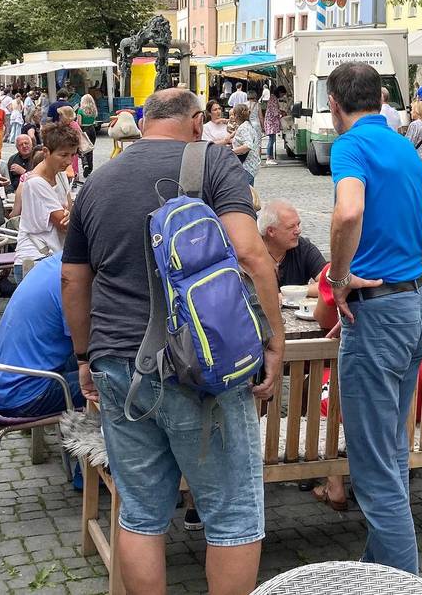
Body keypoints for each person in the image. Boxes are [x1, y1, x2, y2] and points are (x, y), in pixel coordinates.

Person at [62, 88, 284, 595]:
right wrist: (273, 341)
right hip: (202, 367)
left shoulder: (97, 181)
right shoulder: (214, 163)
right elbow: (251, 255)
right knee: (232, 515)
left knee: (140, 512)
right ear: (197, 120)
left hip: (117, 362)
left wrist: (82, 356)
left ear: (143, 123)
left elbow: (73, 280)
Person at [325, 62, 422, 572]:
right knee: (390, 453)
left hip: (380, 314)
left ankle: (403, 582)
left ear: (334, 104)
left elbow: (348, 212)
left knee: (373, 471)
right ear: (382, 96)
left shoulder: (351, 145)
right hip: (416, 306)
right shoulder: (403, 145)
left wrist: (340, 276)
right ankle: (377, 574)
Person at [0, 252, 86, 418]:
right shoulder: (75, 280)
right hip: (26, 398)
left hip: (2, 387)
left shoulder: (54, 264)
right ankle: (108, 441)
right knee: (116, 384)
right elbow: (91, 342)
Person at [14, 123, 76, 281]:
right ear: (46, 152)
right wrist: (71, 215)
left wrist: (71, 214)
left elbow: (71, 210)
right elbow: (64, 224)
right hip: (35, 259)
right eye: (63, 155)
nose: (69, 161)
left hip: (52, 255)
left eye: (72, 155)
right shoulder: (36, 183)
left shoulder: (60, 174)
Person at [258, 200, 326, 293]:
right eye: (291, 227)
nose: (298, 231)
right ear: (271, 231)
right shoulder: (251, 251)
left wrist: (290, 293)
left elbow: (328, 284)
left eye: (298, 224)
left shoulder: (304, 247)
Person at [230, 103, 261, 186]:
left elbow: (248, 145)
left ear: (236, 115)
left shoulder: (243, 128)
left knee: (241, 193)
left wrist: (230, 151)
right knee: (249, 194)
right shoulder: (247, 125)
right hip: (251, 166)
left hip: (246, 166)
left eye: (233, 114)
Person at [262, 86, 285, 165]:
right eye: (282, 94)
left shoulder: (273, 97)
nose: (282, 96)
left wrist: (281, 111)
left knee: (272, 139)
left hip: (271, 122)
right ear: (279, 92)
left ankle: (270, 157)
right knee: (271, 140)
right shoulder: (273, 98)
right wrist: (282, 113)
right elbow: (275, 111)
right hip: (271, 122)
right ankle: (269, 158)